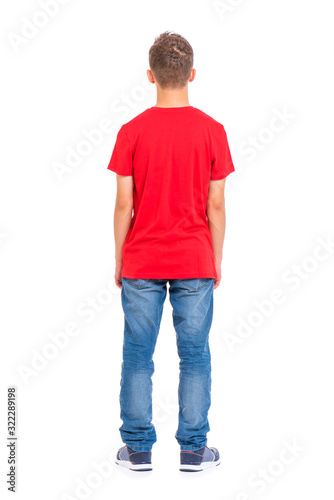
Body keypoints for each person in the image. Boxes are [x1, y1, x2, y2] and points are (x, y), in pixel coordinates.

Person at [107, 31, 235, 472]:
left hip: (142, 257)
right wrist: (215, 258)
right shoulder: (213, 131)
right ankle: (193, 451)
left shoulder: (131, 132)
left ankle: (138, 450)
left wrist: (120, 257)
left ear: (150, 76)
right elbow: (215, 203)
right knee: (195, 353)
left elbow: (124, 202)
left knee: (138, 354)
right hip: (195, 258)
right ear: (192, 75)